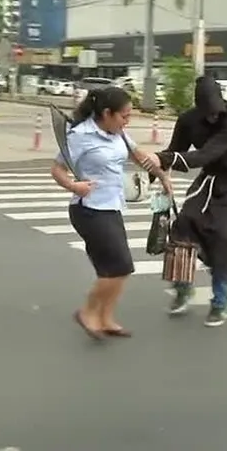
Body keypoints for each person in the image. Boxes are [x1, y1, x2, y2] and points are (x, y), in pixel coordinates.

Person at [50, 86, 172, 340]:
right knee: (119, 266)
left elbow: (140, 157)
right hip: (89, 210)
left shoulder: (119, 134)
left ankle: (105, 318)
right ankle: (86, 312)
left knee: (118, 270)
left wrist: (162, 177)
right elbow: (57, 169)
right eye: (124, 116)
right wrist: (74, 185)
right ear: (107, 113)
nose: (127, 121)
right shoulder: (80, 135)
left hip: (112, 206)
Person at [142, 76, 227, 327]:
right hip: (211, 177)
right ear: (199, 108)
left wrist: (161, 158)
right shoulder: (188, 120)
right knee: (183, 226)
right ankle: (183, 290)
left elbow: (206, 154)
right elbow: (176, 148)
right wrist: (150, 176)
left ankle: (219, 301)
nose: (213, 117)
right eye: (208, 113)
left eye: (216, 111)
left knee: (221, 232)